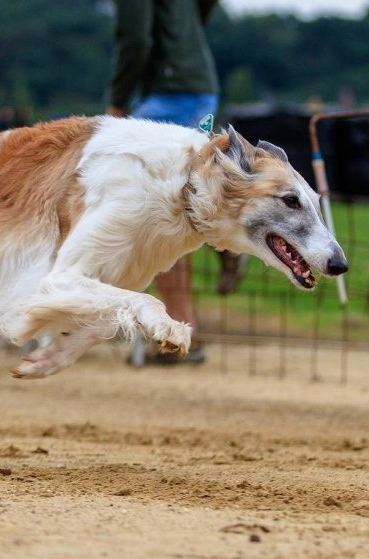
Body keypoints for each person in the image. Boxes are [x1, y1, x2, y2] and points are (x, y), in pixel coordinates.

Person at [107, 0, 245, 365]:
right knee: (185, 196)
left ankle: (178, 334)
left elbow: (134, 40)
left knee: (160, 210)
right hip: (201, 87)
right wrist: (184, 37)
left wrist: (117, 103)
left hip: (165, 93)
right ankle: (226, 240)